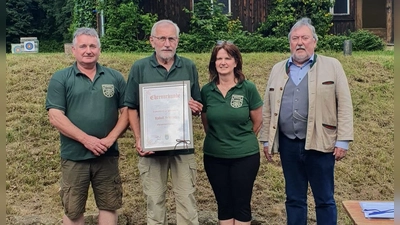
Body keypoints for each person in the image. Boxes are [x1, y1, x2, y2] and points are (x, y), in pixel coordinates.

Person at [259, 17, 354, 225]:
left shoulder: (333, 66)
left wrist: (343, 140)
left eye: (304, 38)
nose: (299, 42)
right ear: (289, 42)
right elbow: (268, 106)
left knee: (325, 199)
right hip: (288, 144)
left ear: (314, 41)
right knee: (294, 199)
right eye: (295, 38)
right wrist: (266, 139)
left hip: (321, 144)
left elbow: (345, 104)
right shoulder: (277, 69)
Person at [45, 27, 128, 225]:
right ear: (73, 50)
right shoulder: (61, 78)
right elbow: (55, 116)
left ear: (99, 49)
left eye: (93, 46)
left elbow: (127, 113)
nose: (88, 50)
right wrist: (86, 139)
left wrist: (109, 140)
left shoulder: (115, 77)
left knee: (109, 205)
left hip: (107, 155)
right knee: (73, 210)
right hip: (74, 156)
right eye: (83, 46)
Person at [123, 19, 203, 225]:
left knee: (187, 203)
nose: (167, 43)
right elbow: (130, 107)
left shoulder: (189, 66)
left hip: (182, 148)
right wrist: (139, 138)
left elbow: (197, 105)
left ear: (177, 41)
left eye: (171, 39)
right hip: (151, 149)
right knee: (155, 203)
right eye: (162, 38)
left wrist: (195, 107)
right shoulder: (140, 67)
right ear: (152, 41)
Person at [200, 41, 263, 225]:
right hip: (214, 156)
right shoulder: (207, 90)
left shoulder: (247, 88)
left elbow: (257, 121)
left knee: (242, 204)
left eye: (227, 58)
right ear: (214, 63)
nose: (223, 62)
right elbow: (207, 123)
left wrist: (240, 140)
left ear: (236, 62)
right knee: (224, 204)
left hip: (245, 156)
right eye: (219, 58)